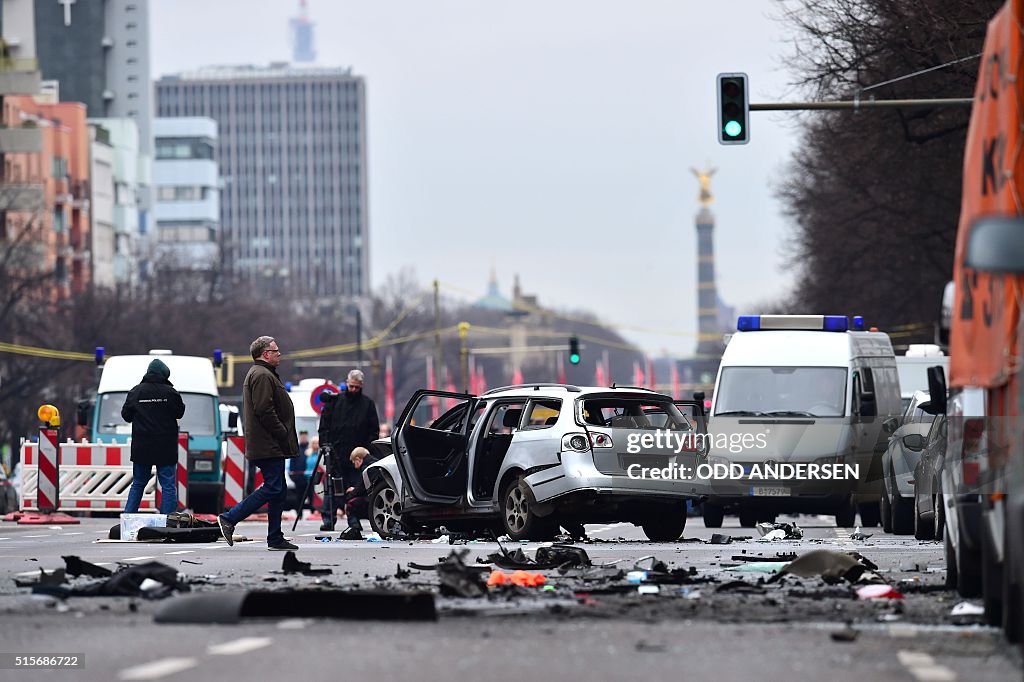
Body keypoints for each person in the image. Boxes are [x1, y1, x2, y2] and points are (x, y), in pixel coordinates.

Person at [217, 336, 300, 551]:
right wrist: (281, 432)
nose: (279, 354)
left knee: (278, 489)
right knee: (274, 487)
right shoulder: (262, 375)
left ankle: (275, 537)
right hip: (269, 443)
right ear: (265, 354)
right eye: (276, 350)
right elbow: (264, 409)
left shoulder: (263, 373)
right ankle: (229, 518)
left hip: (269, 443)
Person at [121, 358, 186, 515]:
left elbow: (126, 415)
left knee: (138, 483)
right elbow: (180, 412)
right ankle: (168, 521)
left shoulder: (135, 392)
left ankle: (128, 519)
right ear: (164, 375)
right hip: (166, 447)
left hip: (142, 447)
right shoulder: (171, 393)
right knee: (168, 485)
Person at [317, 369, 380, 530]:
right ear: (347, 384)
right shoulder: (335, 401)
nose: (353, 390)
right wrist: (325, 445)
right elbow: (324, 427)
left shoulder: (367, 404)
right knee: (331, 487)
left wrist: (365, 452)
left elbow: (373, 431)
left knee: (355, 488)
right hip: (336, 453)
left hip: (357, 456)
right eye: (351, 386)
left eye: (356, 388)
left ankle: (353, 519)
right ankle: (328, 519)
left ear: (361, 387)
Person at [338, 446, 379, 539]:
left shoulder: (366, 468)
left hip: (371, 500)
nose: (354, 465)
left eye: (353, 462)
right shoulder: (375, 462)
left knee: (351, 504)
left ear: (358, 459)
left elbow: (361, 489)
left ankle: (354, 527)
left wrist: (347, 499)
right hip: (378, 497)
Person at [287, 430, 311, 514]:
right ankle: (299, 514)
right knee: (299, 497)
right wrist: (293, 476)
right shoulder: (296, 449)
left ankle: (312, 512)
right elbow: (292, 463)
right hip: (299, 478)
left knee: (311, 496)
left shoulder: (310, 449)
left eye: (305, 437)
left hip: (309, 478)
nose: (303, 438)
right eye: (302, 437)